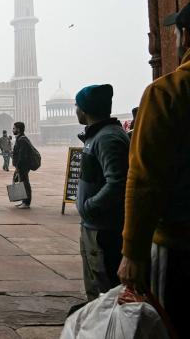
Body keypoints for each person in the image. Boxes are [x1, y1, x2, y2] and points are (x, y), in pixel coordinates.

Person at [118, 1, 190, 336]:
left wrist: (133, 251)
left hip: (179, 242)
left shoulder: (169, 93)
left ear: (184, 36)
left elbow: (145, 179)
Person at [74, 84, 129, 301]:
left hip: (103, 228)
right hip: (94, 225)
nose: (75, 110)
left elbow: (118, 182)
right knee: (96, 286)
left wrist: (90, 207)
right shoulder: (99, 136)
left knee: (105, 290)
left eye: (77, 106)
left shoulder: (107, 138)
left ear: (85, 109)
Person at [12, 122, 33, 208]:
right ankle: (24, 201)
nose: (13, 130)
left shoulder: (22, 140)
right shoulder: (20, 138)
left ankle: (26, 203)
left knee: (25, 183)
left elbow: (22, 155)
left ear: (18, 129)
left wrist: (18, 166)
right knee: (22, 182)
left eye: (14, 128)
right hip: (21, 165)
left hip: (23, 165)